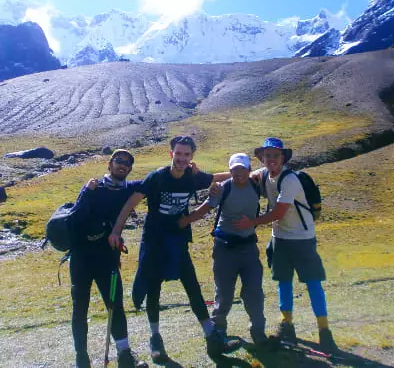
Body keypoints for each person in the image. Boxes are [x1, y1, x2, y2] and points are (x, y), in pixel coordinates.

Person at [109, 136, 237, 362]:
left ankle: (211, 337)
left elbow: (217, 177)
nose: (182, 158)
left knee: (192, 285)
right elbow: (131, 203)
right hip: (154, 240)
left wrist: (249, 174)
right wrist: (116, 232)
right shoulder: (157, 177)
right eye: (178, 154)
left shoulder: (192, 177)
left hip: (177, 239)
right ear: (171, 154)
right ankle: (156, 340)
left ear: (191, 157)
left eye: (186, 155)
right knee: (153, 289)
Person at [222, 138, 338, 350]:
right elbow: (239, 175)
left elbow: (278, 212)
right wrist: (202, 179)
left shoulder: (290, 179)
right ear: (262, 158)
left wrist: (252, 222)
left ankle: (325, 331)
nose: (271, 159)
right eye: (267, 155)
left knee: (313, 283)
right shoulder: (264, 174)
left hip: (302, 238)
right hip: (280, 238)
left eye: (275, 155)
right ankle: (287, 326)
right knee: (283, 282)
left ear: (283, 158)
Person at [181, 153, 270, 345]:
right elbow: (206, 207)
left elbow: (273, 179)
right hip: (224, 248)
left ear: (248, 170)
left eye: (242, 170)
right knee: (224, 294)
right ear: (230, 171)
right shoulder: (223, 188)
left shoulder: (257, 185)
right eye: (234, 170)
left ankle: (258, 330)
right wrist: (187, 220)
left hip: (249, 248)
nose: (238, 174)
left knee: (254, 291)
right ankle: (219, 332)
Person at [71, 150, 144, 368]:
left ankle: (124, 356)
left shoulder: (130, 189)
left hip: (107, 259)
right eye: (119, 161)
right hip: (81, 258)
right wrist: (85, 191)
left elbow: (155, 181)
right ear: (109, 164)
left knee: (116, 305)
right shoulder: (93, 188)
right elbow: (76, 217)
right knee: (80, 308)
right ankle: (81, 359)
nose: (123, 165)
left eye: (128, 163)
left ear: (130, 169)